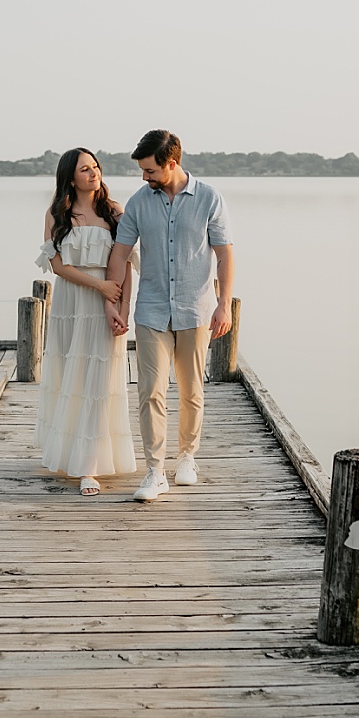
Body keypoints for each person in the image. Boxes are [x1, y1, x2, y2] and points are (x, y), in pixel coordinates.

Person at [105, 130, 235, 503]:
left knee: (192, 390)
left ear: (171, 163)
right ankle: (155, 470)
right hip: (152, 310)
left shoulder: (209, 198)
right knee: (150, 392)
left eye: (149, 170)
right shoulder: (139, 203)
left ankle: (187, 457)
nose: (144, 178)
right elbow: (120, 255)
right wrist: (116, 305)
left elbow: (225, 255)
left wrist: (223, 304)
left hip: (197, 310)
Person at [31, 149, 140, 494]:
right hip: (71, 300)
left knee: (101, 382)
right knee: (72, 377)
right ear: (70, 177)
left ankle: (90, 464)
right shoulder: (56, 214)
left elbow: (125, 265)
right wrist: (99, 285)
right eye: (85, 169)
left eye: (95, 167)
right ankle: (71, 455)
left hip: (108, 303)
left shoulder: (116, 212)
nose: (94, 173)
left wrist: (122, 306)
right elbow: (59, 267)